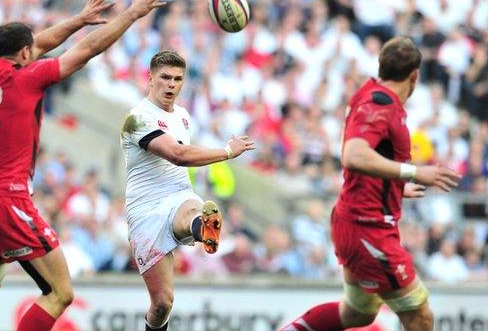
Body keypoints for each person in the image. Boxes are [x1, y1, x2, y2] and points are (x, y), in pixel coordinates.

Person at [0, 0, 166, 331]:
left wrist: (79, 19)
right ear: (25, 54)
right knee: (60, 293)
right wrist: (132, 13)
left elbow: (38, 43)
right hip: (8, 200)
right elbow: (87, 50)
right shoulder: (28, 78)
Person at [279, 37, 462, 331]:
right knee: (419, 313)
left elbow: (369, 157)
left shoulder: (371, 94)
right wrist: (413, 173)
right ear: (414, 77)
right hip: (368, 228)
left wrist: (395, 187)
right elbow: (354, 155)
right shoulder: (381, 105)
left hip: (358, 219)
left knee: (358, 313)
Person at [120, 50, 255, 331]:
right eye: (165, 77)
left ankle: (202, 227)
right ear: (150, 79)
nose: (171, 84)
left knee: (193, 208)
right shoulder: (137, 118)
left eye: (177, 79)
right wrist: (227, 151)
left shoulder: (182, 115)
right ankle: (199, 227)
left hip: (178, 193)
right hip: (144, 209)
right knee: (162, 304)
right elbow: (178, 154)